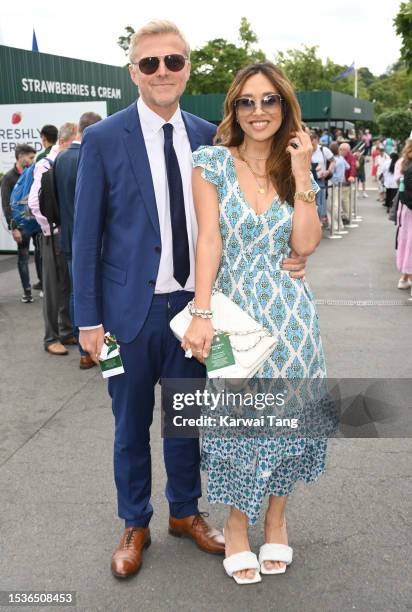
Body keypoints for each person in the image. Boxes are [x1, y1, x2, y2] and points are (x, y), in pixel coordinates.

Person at [72, 20, 308, 580]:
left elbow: (250, 211)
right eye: (149, 63)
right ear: (133, 72)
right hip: (127, 314)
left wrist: (294, 255)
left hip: (199, 308)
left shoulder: (210, 136)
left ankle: (185, 512)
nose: (161, 72)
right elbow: (84, 238)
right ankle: (135, 522)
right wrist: (86, 319)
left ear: (187, 68)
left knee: (188, 420)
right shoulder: (105, 139)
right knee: (129, 426)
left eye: (172, 61)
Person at [182, 61, 330, 584]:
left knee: (287, 425)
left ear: (285, 107)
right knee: (237, 427)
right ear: (234, 110)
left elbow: (306, 244)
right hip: (232, 319)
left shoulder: (297, 166)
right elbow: (209, 241)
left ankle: (277, 519)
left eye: (269, 100)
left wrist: (306, 174)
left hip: (293, 321)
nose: (258, 111)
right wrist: (201, 314)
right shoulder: (211, 163)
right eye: (247, 101)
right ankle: (238, 526)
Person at [53, 112, 102, 369]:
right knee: (97, 289)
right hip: (93, 239)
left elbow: (53, 201)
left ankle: (82, 346)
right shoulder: (91, 155)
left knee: (76, 289)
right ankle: (94, 348)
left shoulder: (59, 159)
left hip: (68, 235)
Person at [28, 122, 77, 355]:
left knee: (67, 286)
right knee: (52, 288)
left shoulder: (61, 162)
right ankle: (51, 337)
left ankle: (66, 331)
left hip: (62, 234)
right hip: (52, 235)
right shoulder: (46, 164)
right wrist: (50, 229)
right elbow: (34, 203)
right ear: (65, 141)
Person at [1, 144, 41, 302]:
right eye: (30, 157)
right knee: (23, 257)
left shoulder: (34, 173)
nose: (32, 161)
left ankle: (43, 285)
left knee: (41, 255)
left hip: (37, 223)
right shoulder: (9, 178)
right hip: (21, 226)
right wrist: (14, 228)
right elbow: (6, 204)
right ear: (20, 157)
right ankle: (27, 290)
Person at [395, 140, 412, 292]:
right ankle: (406, 277)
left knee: (406, 240)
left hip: (406, 207)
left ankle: (405, 276)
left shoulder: (403, 162)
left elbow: (397, 181)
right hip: (408, 206)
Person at [310, 131, 335, 225]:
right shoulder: (306, 150)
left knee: (319, 201)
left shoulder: (323, 150)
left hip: (320, 179)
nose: (311, 143)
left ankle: (318, 220)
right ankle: (312, 222)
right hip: (307, 180)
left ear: (316, 140)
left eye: (312, 140)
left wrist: (328, 171)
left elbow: (333, 161)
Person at [339, 142, 357, 222]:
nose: (341, 151)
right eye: (340, 149)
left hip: (346, 182)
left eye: (342, 150)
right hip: (337, 182)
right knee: (341, 200)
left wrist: (351, 176)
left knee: (345, 200)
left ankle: (347, 216)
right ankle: (343, 215)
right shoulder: (339, 156)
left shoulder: (351, 157)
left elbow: (353, 167)